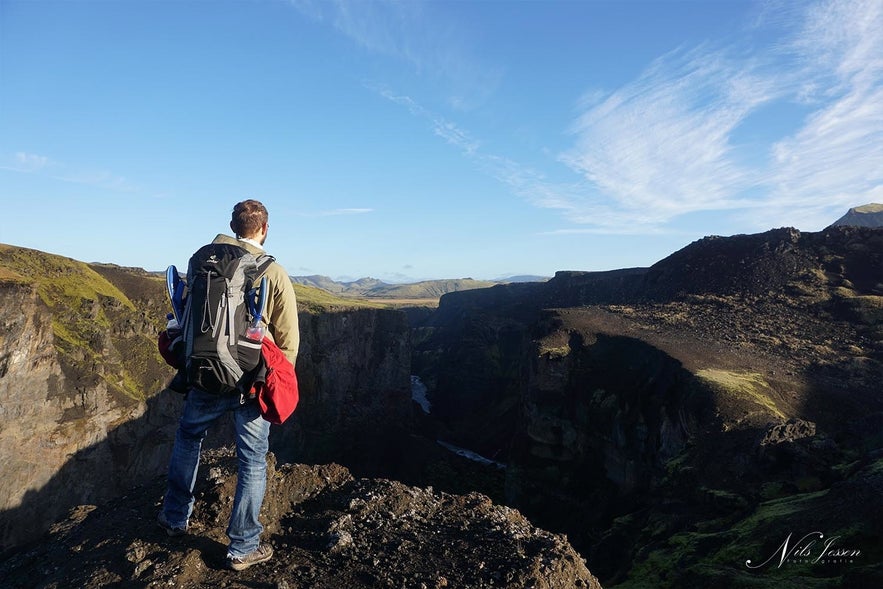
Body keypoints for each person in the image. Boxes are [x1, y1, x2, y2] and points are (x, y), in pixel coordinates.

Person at [158, 199, 299, 571]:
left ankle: (174, 517)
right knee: (252, 460)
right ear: (264, 229)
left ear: (233, 226)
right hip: (250, 382)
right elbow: (288, 339)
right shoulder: (273, 271)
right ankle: (242, 547)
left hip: (204, 372)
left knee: (189, 437)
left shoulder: (201, 260)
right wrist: (277, 384)